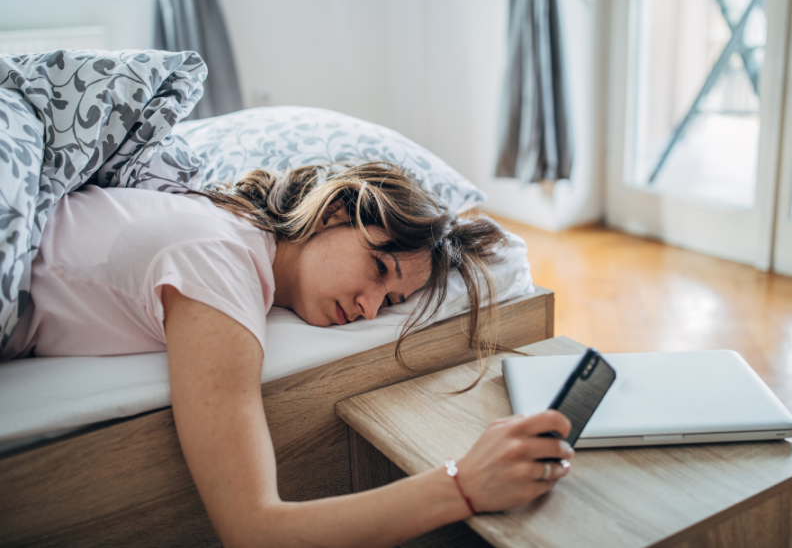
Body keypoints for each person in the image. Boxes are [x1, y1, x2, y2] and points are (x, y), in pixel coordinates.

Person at [5, 161, 574, 547]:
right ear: (332, 215)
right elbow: (255, 530)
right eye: (378, 269)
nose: (372, 307)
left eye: (392, 298)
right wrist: (464, 484)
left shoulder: (228, 233)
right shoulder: (217, 260)